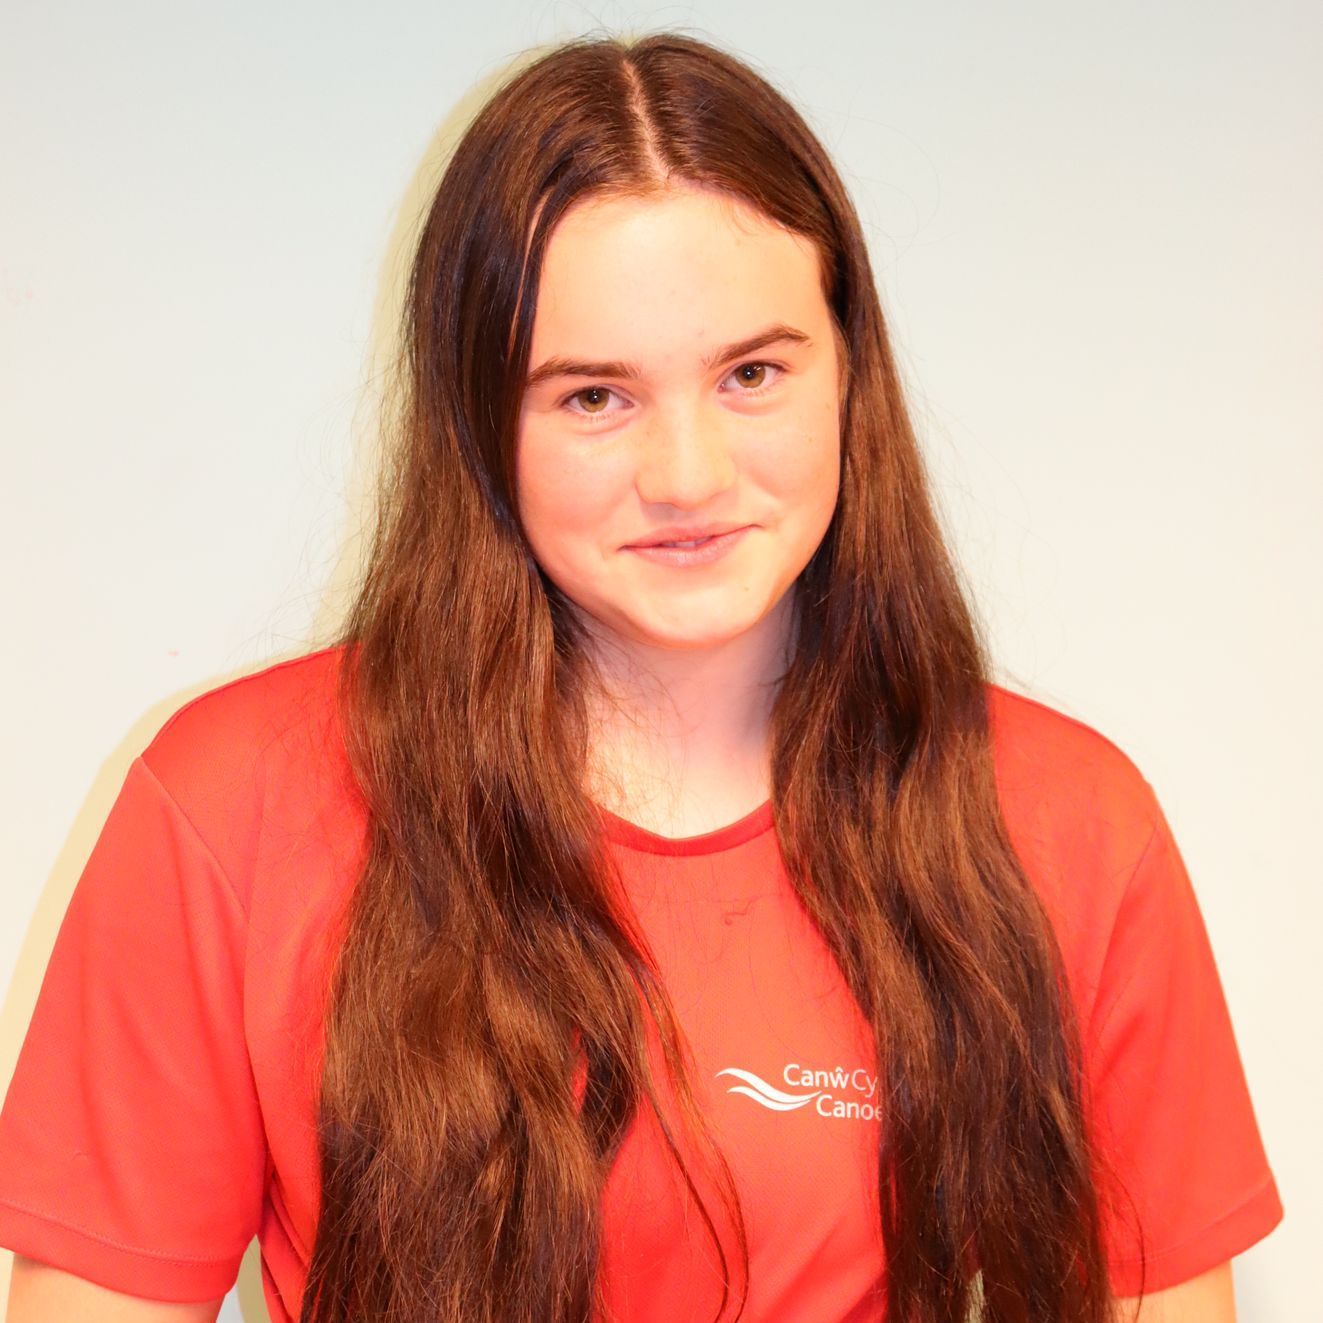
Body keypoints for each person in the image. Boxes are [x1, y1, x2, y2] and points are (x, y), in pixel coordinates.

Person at [0, 30, 1283, 1323]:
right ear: (477, 421)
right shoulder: (233, 806)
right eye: (593, 398)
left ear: (850, 378)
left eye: (751, 375)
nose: (687, 476)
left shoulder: (1066, 823)